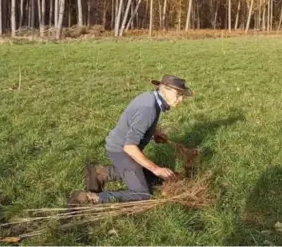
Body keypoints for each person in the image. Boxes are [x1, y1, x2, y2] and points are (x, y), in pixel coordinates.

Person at [68, 75, 193, 205]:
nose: (181, 99)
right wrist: (156, 169)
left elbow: (136, 123)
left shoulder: (150, 97)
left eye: (182, 95)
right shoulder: (149, 109)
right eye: (178, 94)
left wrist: (154, 133)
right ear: (165, 89)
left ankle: (100, 173)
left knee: (150, 178)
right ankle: (88, 198)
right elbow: (129, 147)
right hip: (122, 150)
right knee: (142, 194)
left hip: (120, 146)